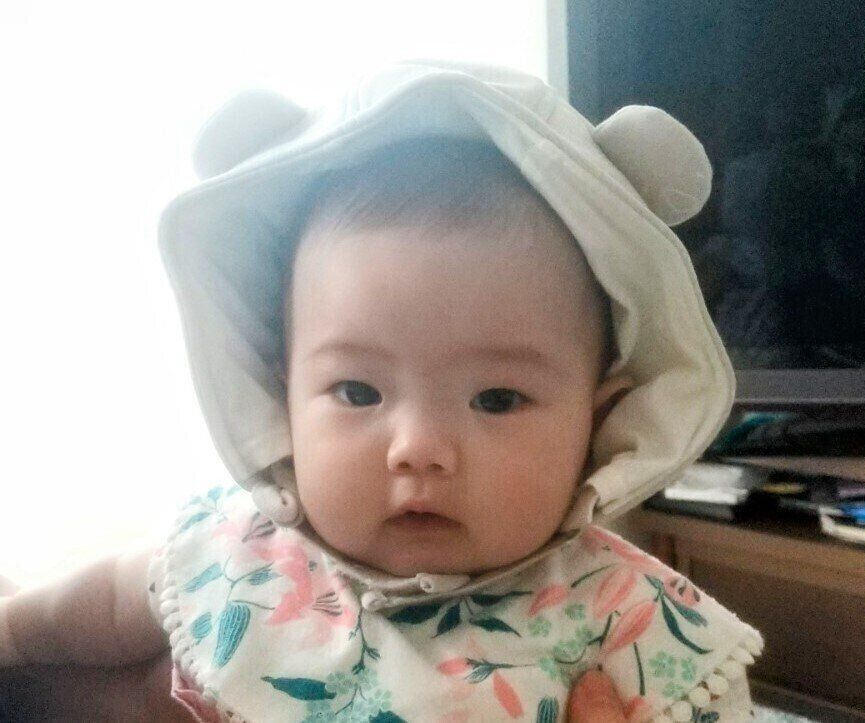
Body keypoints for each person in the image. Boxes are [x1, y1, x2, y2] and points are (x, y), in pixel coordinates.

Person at [0, 61, 762, 722]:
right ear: (282, 395)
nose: (418, 448)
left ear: (598, 423)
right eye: (358, 390)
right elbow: (94, 609)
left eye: (496, 399)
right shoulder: (238, 550)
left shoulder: (625, 616)